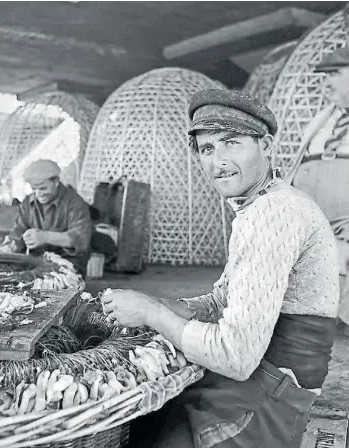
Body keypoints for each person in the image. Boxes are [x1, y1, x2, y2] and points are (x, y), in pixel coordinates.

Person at [103, 90, 340, 447]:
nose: (218, 161)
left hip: (272, 393)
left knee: (149, 433)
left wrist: (152, 313)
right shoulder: (259, 203)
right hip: (265, 375)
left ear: (266, 145)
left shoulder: (274, 213)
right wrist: (172, 306)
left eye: (231, 143)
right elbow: (223, 298)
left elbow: (236, 356)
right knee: (150, 415)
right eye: (207, 149)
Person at [286, 40, 349, 335]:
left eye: (334, 74)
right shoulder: (324, 118)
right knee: (313, 261)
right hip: (313, 211)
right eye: (323, 77)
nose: (326, 83)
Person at [4, 159, 93, 277]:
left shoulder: (75, 203)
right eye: (34, 189)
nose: (38, 194)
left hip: (68, 265)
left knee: (50, 279)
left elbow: (81, 239)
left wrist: (45, 237)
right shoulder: (27, 203)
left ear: (56, 182)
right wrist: (10, 246)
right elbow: (18, 232)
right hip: (35, 262)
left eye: (43, 188)